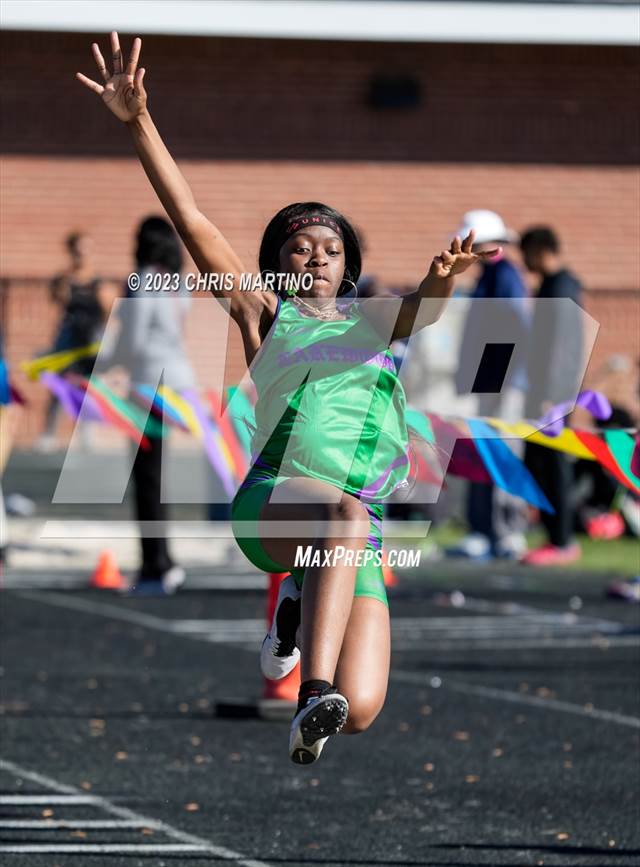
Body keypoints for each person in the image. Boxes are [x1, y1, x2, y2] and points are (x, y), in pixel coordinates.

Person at [76, 32, 500, 763]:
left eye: (330, 251)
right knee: (341, 521)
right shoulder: (266, 314)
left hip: (353, 531)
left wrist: (442, 280)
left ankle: (300, 616)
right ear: (277, 264)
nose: (316, 258)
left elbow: (422, 311)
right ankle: (311, 688)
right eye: (300, 248)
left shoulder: (374, 324)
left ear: (348, 267)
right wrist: (138, 121)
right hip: (276, 500)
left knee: (361, 710)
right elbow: (192, 220)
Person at [98, 216, 193, 595]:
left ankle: (156, 566)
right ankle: (162, 561)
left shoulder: (142, 281)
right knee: (154, 477)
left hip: (149, 384)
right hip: (175, 382)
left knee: (146, 480)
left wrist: (98, 363)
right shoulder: (177, 283)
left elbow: (133, 343)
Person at [451, 210, 530, 559]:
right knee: (484, 453)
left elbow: (515, 330)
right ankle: (483, 530)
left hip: (503, 382)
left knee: (502, 453)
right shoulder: (488, 278)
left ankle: (508, 532)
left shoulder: (506, 277)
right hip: (489, 382)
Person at [519, 226, 584, 565]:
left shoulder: (562, 287)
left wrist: (552, 394)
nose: (525, 262)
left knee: (554, 465)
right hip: (541, 391)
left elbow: (562, 346)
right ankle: (552, 536)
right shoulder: (549, 286)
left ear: (541, 251)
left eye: (527, 254)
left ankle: (562, 541)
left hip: (552, 394)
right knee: (537, 462)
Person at [37, 231, 107, 451]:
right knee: (59, 384)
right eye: (79, 250)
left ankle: (87, 432)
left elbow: (107, 309)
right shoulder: (64, 280)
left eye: (87, 250)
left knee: (89, 386)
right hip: (68, 338)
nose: (83, 255)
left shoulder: (98, 281)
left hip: (90, 339)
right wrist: (68, 280)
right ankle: (48, 433)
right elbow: (57, 298)